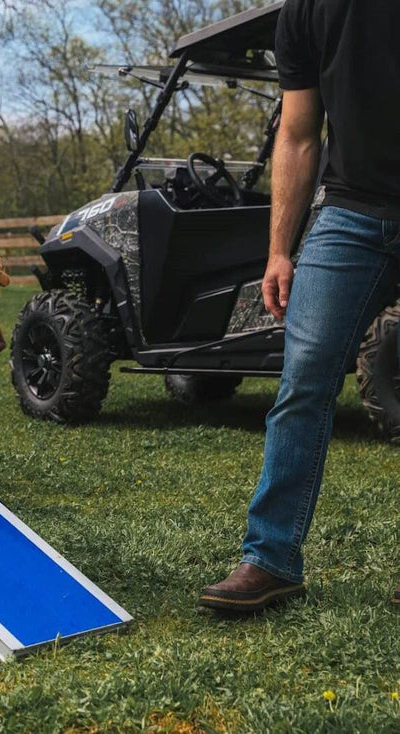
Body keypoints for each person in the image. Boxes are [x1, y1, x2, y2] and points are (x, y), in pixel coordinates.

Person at [199, 0, 400, 613]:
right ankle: (270, 559)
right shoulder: (305, 10)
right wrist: (279, 250)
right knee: (304, 376)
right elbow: (298, 132)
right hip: (351, 213)